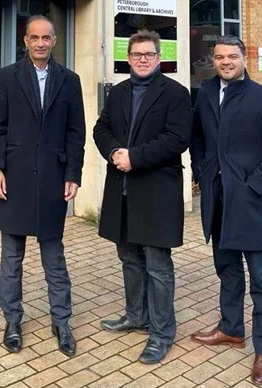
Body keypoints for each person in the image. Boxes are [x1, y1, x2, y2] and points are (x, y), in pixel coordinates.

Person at [190, 35, 262, 386]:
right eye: (219, 57)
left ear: (244, 58)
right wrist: (203, 173)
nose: (226, 62)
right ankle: (231, 328)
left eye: (232, 56)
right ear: (214, 60)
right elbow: (199, 140)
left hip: (249, 202)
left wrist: (254, 185)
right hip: (217, 200)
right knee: (227, 269)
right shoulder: (205, 93)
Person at [0, 15, 86, 357]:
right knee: (11, 257)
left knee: (54, 257)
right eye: (34, 37)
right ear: (25, 40)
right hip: (14, 178)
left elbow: (76, 133)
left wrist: (73, 173)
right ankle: (12, 320)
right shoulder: (7, 77)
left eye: (46, 37)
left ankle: (62, 322)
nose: (41, 43)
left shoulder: (69, 81)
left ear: (55, 40)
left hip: (52, 180)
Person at [93, 29, 192, 364]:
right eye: (137, 55)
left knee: (157, 265)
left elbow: (177, 139)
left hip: (155, 192)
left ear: (159, 58)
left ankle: (162, 333)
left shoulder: (176, 93)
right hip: (121, 192)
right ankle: (137, 316)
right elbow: (100, 129)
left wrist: (134, 157)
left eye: (149, 54)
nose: (143, 60)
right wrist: (114, 153)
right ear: (129, 58)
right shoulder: (119, 92)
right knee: (129, 259)